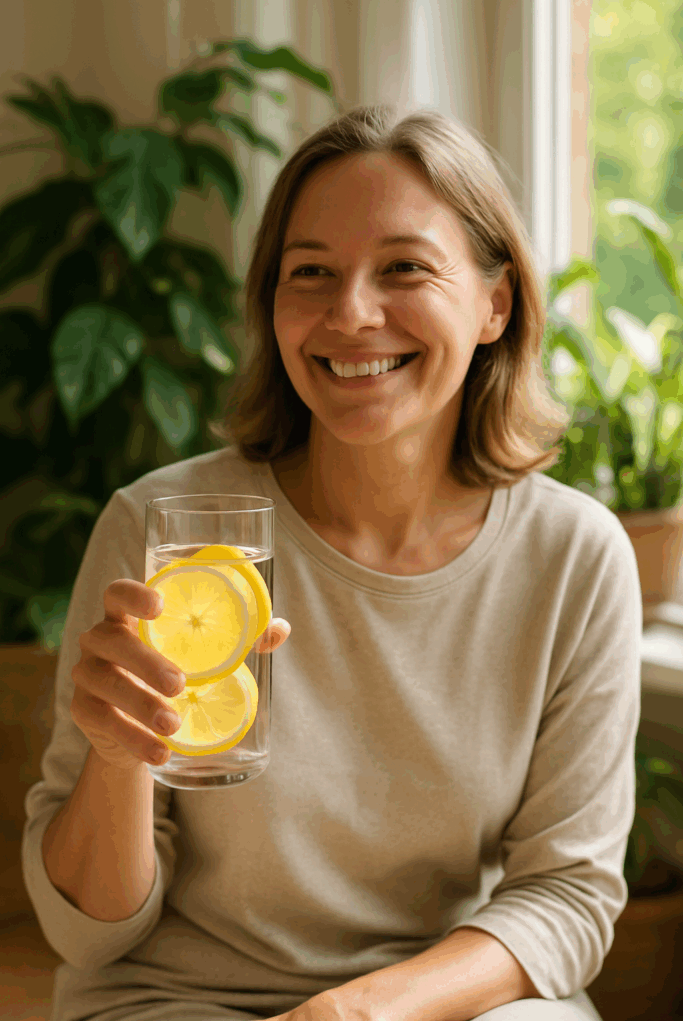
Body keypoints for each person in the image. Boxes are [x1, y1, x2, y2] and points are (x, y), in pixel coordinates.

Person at [23, 105, 640, 1021]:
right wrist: (120, 759)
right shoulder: (163, 527)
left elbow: (567, 897)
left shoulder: (574, 557)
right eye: (309, 272)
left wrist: (352, 1012)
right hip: (172, 998)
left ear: (493, 304)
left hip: (437, 1000)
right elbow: (88, 932)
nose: (350, 314)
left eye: (403, 269)